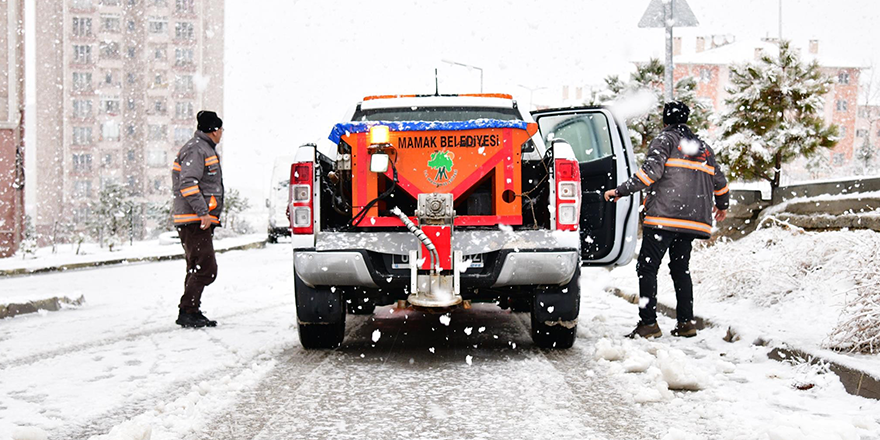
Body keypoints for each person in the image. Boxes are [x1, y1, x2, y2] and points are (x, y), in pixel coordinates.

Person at [604, 101, 729, 339]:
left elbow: (650, 173)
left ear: (665, 121)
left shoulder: (665, 140)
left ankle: (648, 324)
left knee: (647, 267)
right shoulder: (704, 148)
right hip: (692, 222)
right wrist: (722, 206)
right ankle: (686, 323)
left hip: (664, 217)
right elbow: (720, 182)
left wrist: (620, 191)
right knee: (680, 268)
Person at [171, 110, 225, 328]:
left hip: (196, 218)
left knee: (195, 266)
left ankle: (191, 310)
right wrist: (203, 212)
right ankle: (187, 310)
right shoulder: (197, 149)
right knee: (206, 268)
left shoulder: (203, 148)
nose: (222, 132)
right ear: (213, 130)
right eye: (220, 128)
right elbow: (188, 183)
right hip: (194, 219)